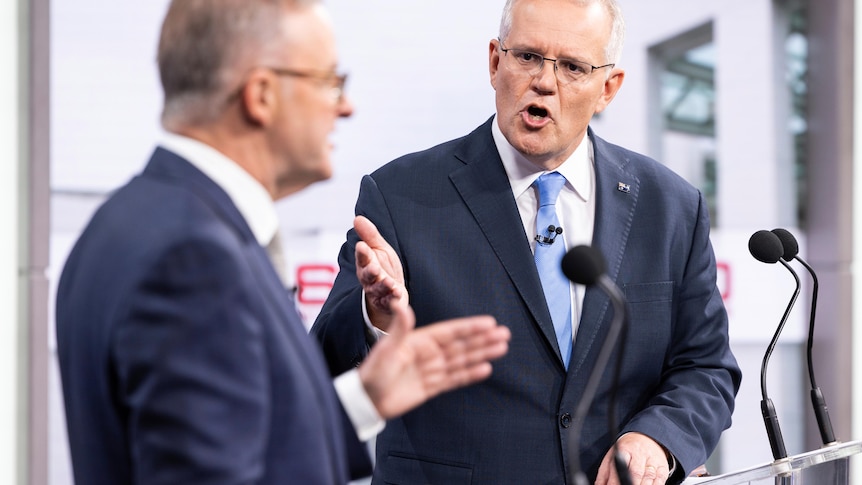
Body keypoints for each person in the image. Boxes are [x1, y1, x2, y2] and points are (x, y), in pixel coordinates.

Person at [54, 1, 512, 484]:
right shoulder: (192, 261)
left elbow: (238, 446)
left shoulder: (128, 220)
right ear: (262, 96)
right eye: (328, 82)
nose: (345, 106)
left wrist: (363, 400)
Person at [311, 0, 742, 483]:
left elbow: (705, 368)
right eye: (528, 57)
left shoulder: (670, 206)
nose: (544, 82)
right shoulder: (401, 194)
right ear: (495, 63)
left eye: (574, 67)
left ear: (608, 88)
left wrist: (659, 438)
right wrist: (377, 318)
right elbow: (323, 361)